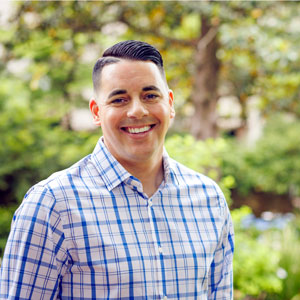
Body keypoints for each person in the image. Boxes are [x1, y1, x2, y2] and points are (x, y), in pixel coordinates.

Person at [0, 40, 234, 299]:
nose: (137, 110)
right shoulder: (52, 205)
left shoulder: (209, 200)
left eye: (150, 95)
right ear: (96, 111)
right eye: (120, 99)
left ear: (170, 103)